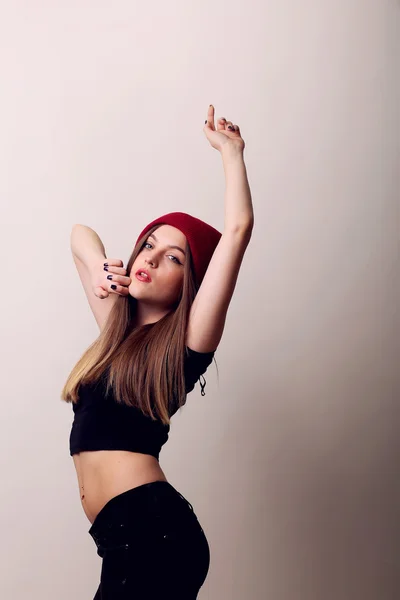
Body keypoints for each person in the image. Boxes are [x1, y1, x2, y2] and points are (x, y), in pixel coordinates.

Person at [61, 105, 254, 599]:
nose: (150, 256)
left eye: (174, 257)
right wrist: (104, 263)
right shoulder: (114, 331)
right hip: (122, 538)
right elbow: (77, 236)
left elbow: (237, 231)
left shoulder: (187, 347)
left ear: (189, 283)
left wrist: (231, 153)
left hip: (153, 534)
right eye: (149, 244)